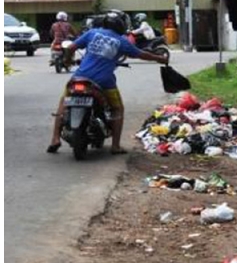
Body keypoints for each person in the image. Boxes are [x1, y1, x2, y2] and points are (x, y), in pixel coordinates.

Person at [47, 10, 168, 155]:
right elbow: (142, 54)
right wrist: (160, 58)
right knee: (117, 109)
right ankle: (115, 146)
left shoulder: (92, 33)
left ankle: (55, 138)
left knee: (64, 102)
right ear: (121, 25)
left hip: (79, 77)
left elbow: (71, 47)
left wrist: (67, 60)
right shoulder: (122, 41)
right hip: (104, 82)